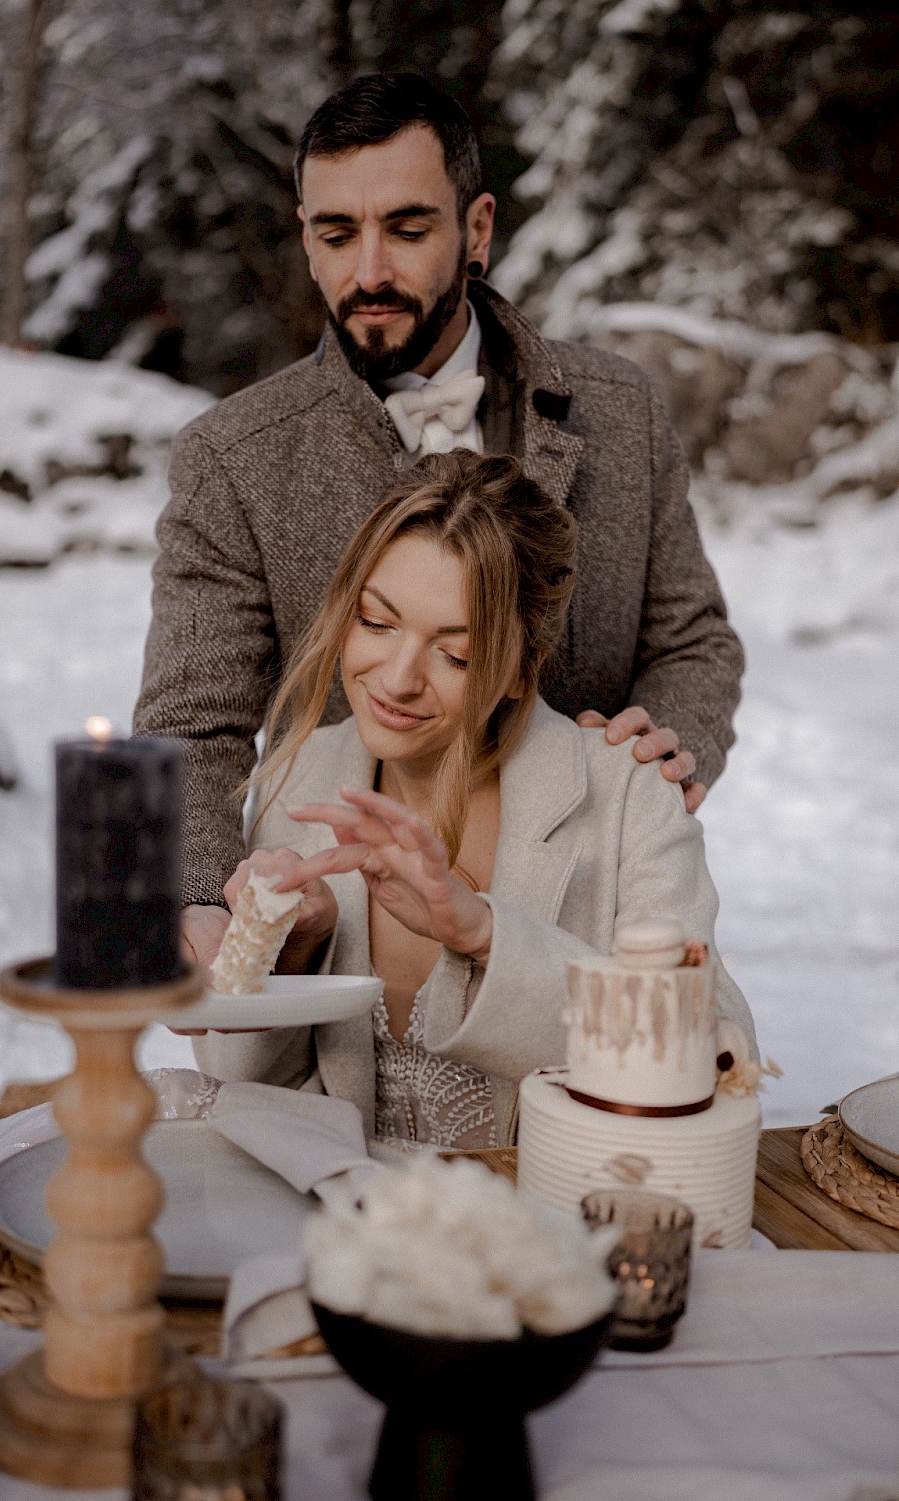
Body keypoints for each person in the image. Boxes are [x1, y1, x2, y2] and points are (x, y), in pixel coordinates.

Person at [133, 72, 745, 968]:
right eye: (336, 233)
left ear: (478, 229)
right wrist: (207, 901)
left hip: (591, 937)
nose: (369, 270)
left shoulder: (624, 410)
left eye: (409, 229)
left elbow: (693, 639)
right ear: (306, 238)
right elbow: (192, 725)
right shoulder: (233, 459)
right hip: (349, 958)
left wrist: (669, 744)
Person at [190, 451, 755, 1149]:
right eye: (376, 621)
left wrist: (484, 934)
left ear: (521, 668)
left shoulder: (627, 793)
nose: (396, 679)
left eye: (454, 655)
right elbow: (241, 1090)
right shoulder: (299, 776)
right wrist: (296, 952)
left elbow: (720, 1049)